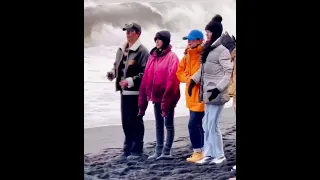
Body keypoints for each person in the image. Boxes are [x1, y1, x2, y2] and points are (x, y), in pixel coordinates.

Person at [189, 14, 233, 165]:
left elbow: (229, 73)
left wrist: (218, 89)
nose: (206, 34)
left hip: (217, 95)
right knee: (206, 125)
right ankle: (209, 154)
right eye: (206, 31)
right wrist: (192, 81)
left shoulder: (222, 51)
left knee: (213, 125)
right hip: (207, 94)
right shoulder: (208, 50)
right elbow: (202, 69)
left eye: (208, 32)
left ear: (215, 32)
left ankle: (219, 155)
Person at [106, 22, 149, 160]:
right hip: (124, 92)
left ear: (138, 33)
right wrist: (113, 73)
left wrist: (130, 81)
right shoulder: (121, 49)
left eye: (131, 31)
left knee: (135, 120)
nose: (127, 33)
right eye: (126, 31)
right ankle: (127, 148)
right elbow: (117, 66)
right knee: (125, 121)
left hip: (136, 93)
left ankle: (137, 149)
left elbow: (145, 73)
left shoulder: (143, 51)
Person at [138, 30, 180, 160]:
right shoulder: (152, 56)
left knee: (168, 124)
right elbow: (146, 77)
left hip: (168, 96)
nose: (157, 41)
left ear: (165, 41)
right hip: (155, 96)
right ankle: (158, 150)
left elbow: (173, 79)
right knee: (158, 124)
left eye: (159, 39)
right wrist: (142, 101)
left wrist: (167, 99)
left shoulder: (172, 57)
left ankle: (167, 151)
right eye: (155, 39)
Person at [176, 29, 205, 163]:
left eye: (192, 40)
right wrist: (187, 79)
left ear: (200, 40)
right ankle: (202, 150)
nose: (189, 42)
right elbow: (179, 72)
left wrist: (193, 80)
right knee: (198, 125)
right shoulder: (187, 54)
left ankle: (198, 151)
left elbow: (204, 73)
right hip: (190, 96)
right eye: (188, 40)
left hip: (201, 96)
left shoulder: (203, 54)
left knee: (193, 125)